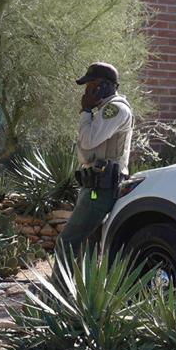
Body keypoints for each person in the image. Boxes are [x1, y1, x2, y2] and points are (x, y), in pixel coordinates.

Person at [57, 62, 134, 257]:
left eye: (90, 84)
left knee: (67, 241)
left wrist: (85, 112)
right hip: (94, 184)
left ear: (103, 85)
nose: (86, 89)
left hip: (102, 188)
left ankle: (60, 286)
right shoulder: (102, 110)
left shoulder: (114, 109)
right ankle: (81, 287)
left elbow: (89, 140)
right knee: (89, 246)